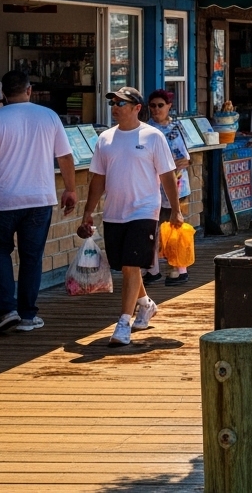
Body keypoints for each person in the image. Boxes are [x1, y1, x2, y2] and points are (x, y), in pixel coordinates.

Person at [0, 70, 76, 334]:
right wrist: (70, 189)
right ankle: (28, 315)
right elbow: (65, 157)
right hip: (39, 199)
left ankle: (7, 309)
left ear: (2, 94)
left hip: (1, 200)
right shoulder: (49, 117)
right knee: (31, 257)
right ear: (29, 90)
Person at [80, 87, 182, 347]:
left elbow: (167, 175)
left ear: (137, 108)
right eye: (112, 102)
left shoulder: (153, 136)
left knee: (130, 266)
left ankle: (123, 322)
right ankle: (145, 304)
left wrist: (176, 209)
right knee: (126, 265)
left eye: (121, 103)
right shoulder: (105, 139)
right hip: (115, 212)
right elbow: (98, 178)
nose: (115, 107)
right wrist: (88, 212)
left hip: (145, 210)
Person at [145, 89, 191, 286]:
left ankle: (178, 268)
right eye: (153, 105)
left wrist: (175, 163)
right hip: (152, 186)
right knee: (152, 229)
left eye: (160, 105)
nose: (156, 110)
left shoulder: (176, 128)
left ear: (169, 106)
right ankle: (152, 268)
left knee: (174, 228)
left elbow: (185, 157)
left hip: (176, 184)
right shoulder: (145, 129)